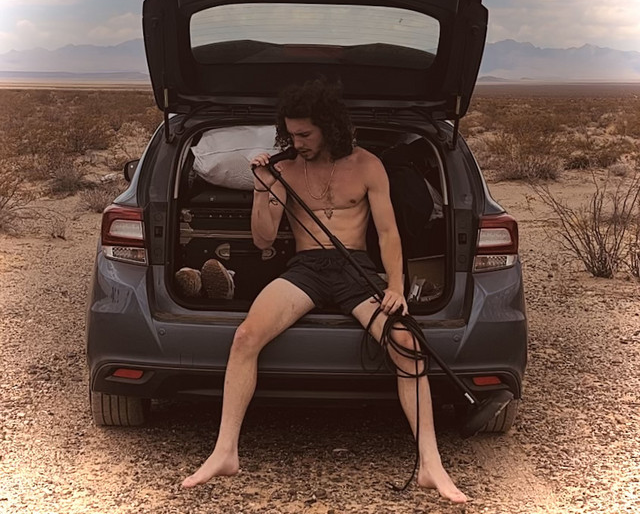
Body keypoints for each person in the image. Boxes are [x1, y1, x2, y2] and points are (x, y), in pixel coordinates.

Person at [181, 78, 467, 503]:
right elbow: (262, 238)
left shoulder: (368, 165)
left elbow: (388, 233)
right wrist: (262, 186)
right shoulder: (284, 169)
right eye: (291, 135)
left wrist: (396, 286)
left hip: (356, 268)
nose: (297, 143)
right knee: (245, 337)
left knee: (407, 344)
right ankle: (225, 453)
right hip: (307, 269)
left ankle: (430, 464)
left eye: (305, 134)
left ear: (329, 127)